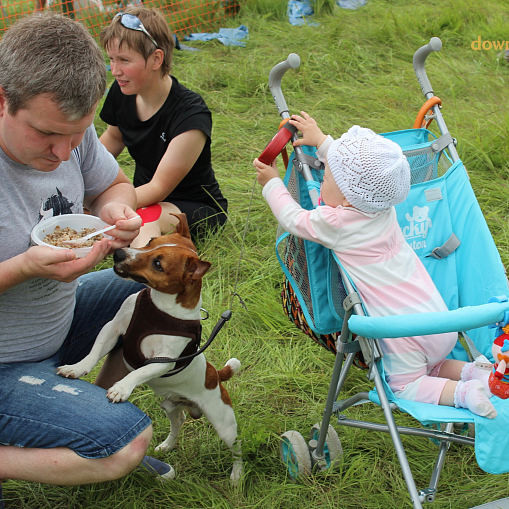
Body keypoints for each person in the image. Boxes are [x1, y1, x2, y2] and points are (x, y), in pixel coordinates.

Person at [0, 13, 174, 506]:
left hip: (54, 325)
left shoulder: (71, 134)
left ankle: (86, 413)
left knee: (150, 288)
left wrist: (117, 209)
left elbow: (112, 185)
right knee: (128, 444)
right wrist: (24, 267)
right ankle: (101, 438)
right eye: (46, 135)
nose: (63, 153)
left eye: (76, 136)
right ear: (2, 100)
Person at [254, 111, 497, 419]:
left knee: (405, 386)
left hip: (401, 332)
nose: (323, 177)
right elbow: (359, 176)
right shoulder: (383, 206)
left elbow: (292, 218)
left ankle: (463, 393)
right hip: (438, 320)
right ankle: (478, 374)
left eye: (326, 177)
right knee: (434, 364)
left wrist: (273, 183)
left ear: (344, 198)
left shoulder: (336, 221)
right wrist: (324, 142)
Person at [98, 7, 228, 246]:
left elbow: (159, 188)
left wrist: (105, 203)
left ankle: (141, 280)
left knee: (142, 220)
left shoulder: (191, 114)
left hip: (194, 205)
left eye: (124, 60)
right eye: (111, 60)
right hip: (144, 196)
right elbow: (114, 139)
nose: (115, 71)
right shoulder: (121, 91)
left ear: (157, 59)